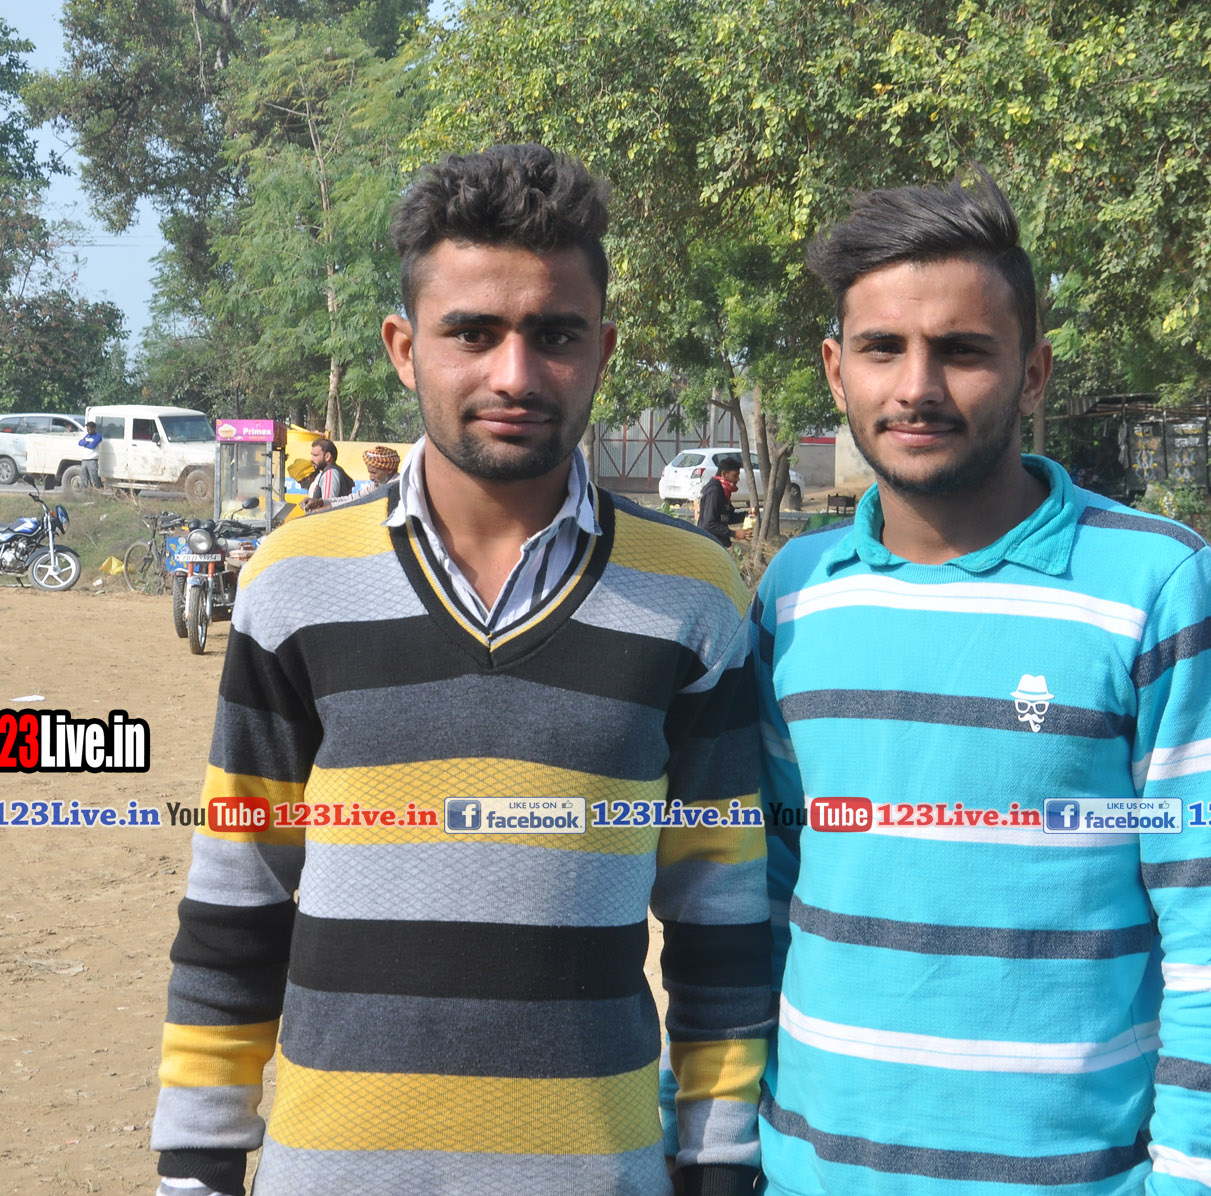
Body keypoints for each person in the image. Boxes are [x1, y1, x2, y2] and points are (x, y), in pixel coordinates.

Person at [149, 144, 771, 1196]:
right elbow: (237, 897)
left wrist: (719, 1161)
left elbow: (721, 925)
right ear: (404, 347)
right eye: (472, 332)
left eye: (554, 334)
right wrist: (197, 1167)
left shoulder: (693, 593)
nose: (515, 374)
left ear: (602, 349)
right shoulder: (294, 582)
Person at [752, 175, 1211, 1196]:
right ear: (836, 371)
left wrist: (1199, 1180)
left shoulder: (1161, 585)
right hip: (809, 1172)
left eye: (963, 350)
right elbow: (765, 892)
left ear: (1034, 372)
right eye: (882, 348)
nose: (916, 387)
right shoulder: (796, 595)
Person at [698, 457, 744, 547]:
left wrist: (747, 515)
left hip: (717, 542)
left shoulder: (723, 491)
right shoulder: (714, 492)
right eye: (735, 476)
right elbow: (709, 524)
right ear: (724, 474)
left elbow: (727, 518)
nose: (737, 479)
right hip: (709, 543)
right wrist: (734, 534)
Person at [300, 437, 352, 511]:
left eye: (315, 455)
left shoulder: (330, 474)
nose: (312, 459)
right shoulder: (331, 472)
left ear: (327, 456)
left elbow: (327, 507)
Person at [77, 420, 104, 490]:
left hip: (92, 460)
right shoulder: (87, 436)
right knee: (84, 477)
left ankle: (97, 489)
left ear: (94, 428)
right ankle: (85, 491)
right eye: (87, 429)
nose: (88, 430)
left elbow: (92, 446)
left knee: (93, 477)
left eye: (90, 429)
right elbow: (80, 443)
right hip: (84, 459)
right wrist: (87, 443)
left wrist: (85, 443)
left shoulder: (98, 436)